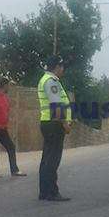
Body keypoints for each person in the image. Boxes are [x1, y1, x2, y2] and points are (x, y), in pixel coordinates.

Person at [37, 55, 72, 201]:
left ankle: (44, 192)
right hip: (54, 124)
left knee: (47, 158)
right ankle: (52, 192)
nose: (63, 69)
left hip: (48, 122)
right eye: (62, 66)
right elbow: (57, 105)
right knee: (53, 159)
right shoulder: (51, 81)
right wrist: (65, 124)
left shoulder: (45, 79)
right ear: (57, 67)